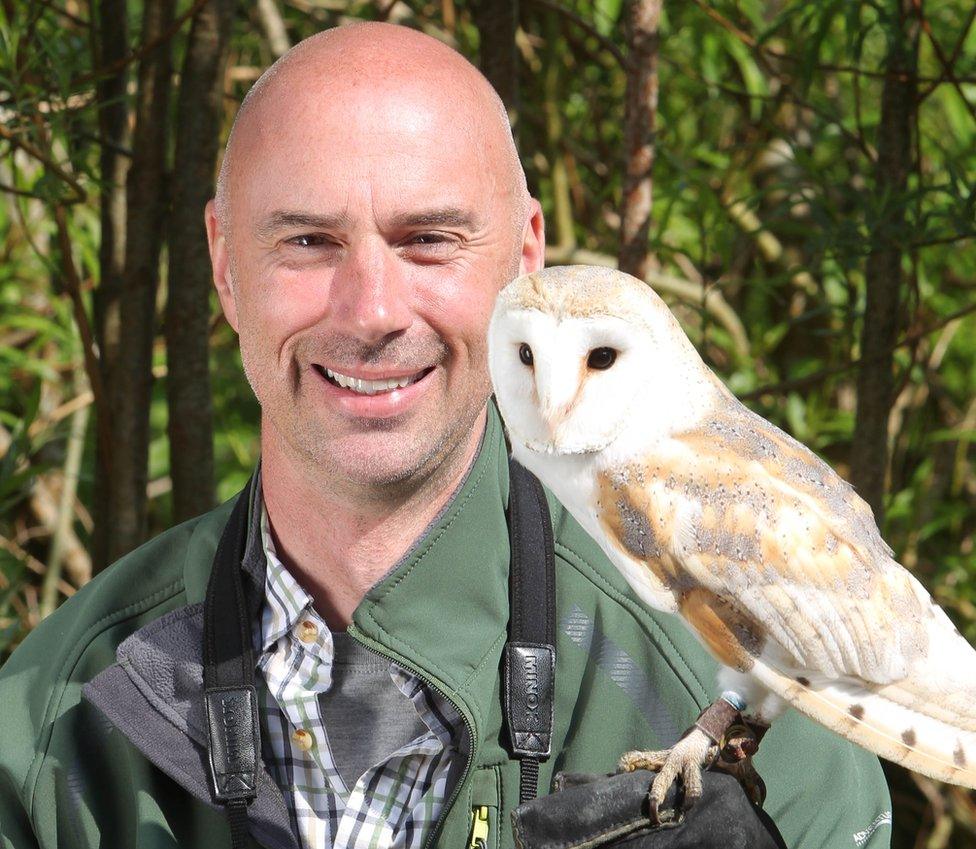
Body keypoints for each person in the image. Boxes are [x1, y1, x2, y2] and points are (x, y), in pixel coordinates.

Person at [0, 22, 892, 849]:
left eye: (428, 239)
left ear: (525, 257)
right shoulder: (51, 722)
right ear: (226, 265)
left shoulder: (737, 687)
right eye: (309, 241)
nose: (374, 310)